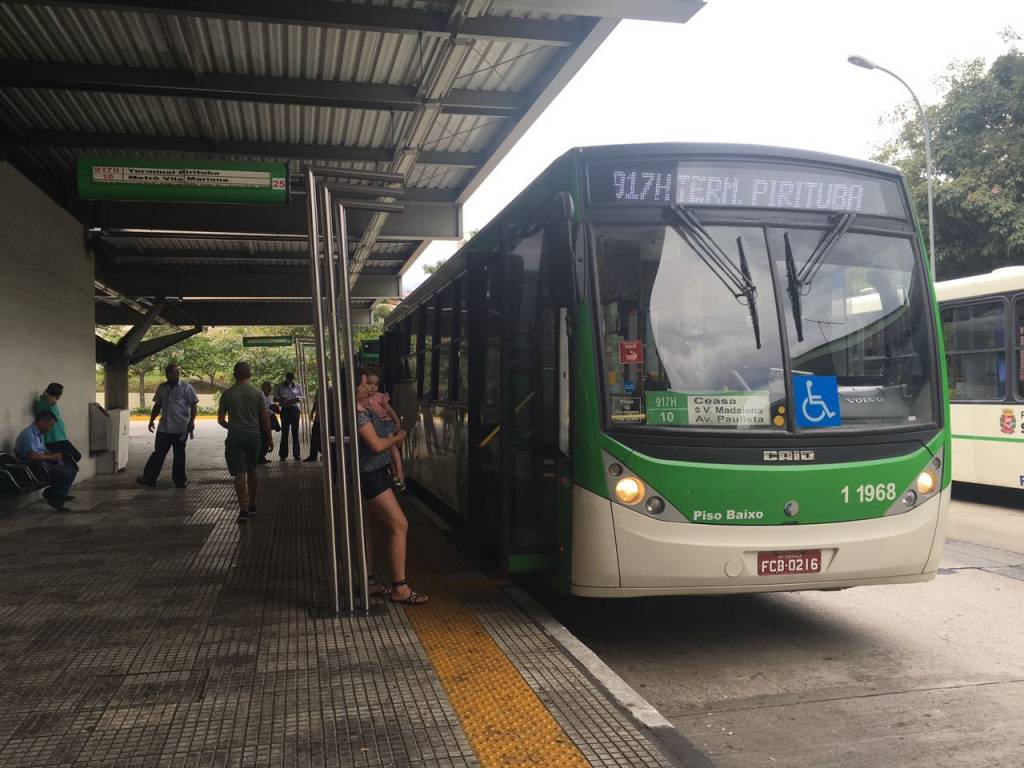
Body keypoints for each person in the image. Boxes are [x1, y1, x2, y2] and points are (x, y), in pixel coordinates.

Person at [354, 368, 427, 605]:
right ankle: (400, 588)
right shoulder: (357, 413)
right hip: (370, 474)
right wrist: (397, 438)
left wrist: (398, 468)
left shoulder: (369, 408)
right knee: (399, 524)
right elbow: (376, 445)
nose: (368, 389)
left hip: (378, 472)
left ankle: (369, 580)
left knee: (371, 527)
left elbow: (387, 435)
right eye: (363, 385)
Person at [219, 362, 273, 524]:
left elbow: (221, 420)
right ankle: (252, 504)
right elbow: (264, 418)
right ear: (250, 374)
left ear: (234, 374)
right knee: (252, 469)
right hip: (253, 436)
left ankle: (242, 510)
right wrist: (269, 438)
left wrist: (233, 427)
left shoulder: (227, 394)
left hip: (235, 436)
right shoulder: (257, 393)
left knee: (239, 473)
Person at [137, 364, 198, 489]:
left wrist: (191, 422)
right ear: (167, 374)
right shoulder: (162, 388)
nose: (174, 375)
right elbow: (157, 406)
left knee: (179, 454)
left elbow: (193, 405)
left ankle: (180, 480)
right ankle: (149, 478)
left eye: (176, 373)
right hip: (164, 428)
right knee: (158, 453)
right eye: (171, 373)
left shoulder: (186, 387)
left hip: (180, 427)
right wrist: (151, 420)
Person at [15, 410, 78, 511]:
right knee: (65, 472)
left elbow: (42, 450)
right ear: (42, 422)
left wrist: (53, 454)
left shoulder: (39, 433)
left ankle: (54, 494)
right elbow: (32, 456)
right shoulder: (29, 434)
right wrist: (51, 457)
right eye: (50, 425)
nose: (50, 429)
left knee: (72, 468)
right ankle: (55, 498)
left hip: (40, 463)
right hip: (32, 467)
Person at [360, 371, 405, 490]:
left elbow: (389, 411)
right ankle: (394, 473)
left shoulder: (380, 397)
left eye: (376, 384)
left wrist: (397, 422)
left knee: (392, 446)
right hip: (374, 427)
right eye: (368, 383)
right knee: (385, 450)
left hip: (385, 423)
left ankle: (400, 472)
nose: (372, 387)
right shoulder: (361, 400)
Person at [34, 383, 82, 466]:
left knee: (67, 458)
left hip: (58, 437)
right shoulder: (49, 402)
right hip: (55, 439)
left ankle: (62, 469)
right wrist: (49, 395)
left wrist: (46, 394)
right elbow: (51, 401)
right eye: (60, 393)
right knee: (75, 456)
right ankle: (63, 471)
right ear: (57, 394)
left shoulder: (42, 402)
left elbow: (46, 399)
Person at [273, 372, 303, 461]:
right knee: (285, 433)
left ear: (293, 379)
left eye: (291, 380)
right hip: (285, 410)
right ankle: (283, 455)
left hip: (294, 410)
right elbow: (274, 398)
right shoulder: (279, 386)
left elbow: (301, 397)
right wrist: (281, 399)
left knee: (295, 433)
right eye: (288, 380)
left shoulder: (298, 386)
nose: (289, 381)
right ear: (285, 378)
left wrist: (296, 399)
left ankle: (297, 454)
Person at [258, 381, 281, 464]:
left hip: (269, 417)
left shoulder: (270, 397)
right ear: (263, 389)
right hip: (262, 419)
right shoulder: (260, 396)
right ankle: (260, 457)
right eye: (268, 389)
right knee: (263, 438)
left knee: (266, 437)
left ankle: (262, 456)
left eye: (270, 389)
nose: (269, 391)